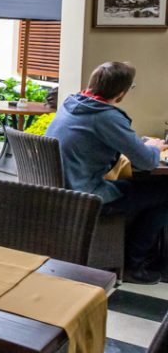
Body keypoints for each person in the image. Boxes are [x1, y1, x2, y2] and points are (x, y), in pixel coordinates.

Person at [46, 61, 168, 283]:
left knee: (146, 190)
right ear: (121, 92)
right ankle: (135, 265)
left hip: (59, 191)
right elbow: (146, 161)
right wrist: (155, 148)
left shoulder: (72, 103)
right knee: (165, 192)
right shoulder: (106, 116)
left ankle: (137, 257)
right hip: (86, 196)